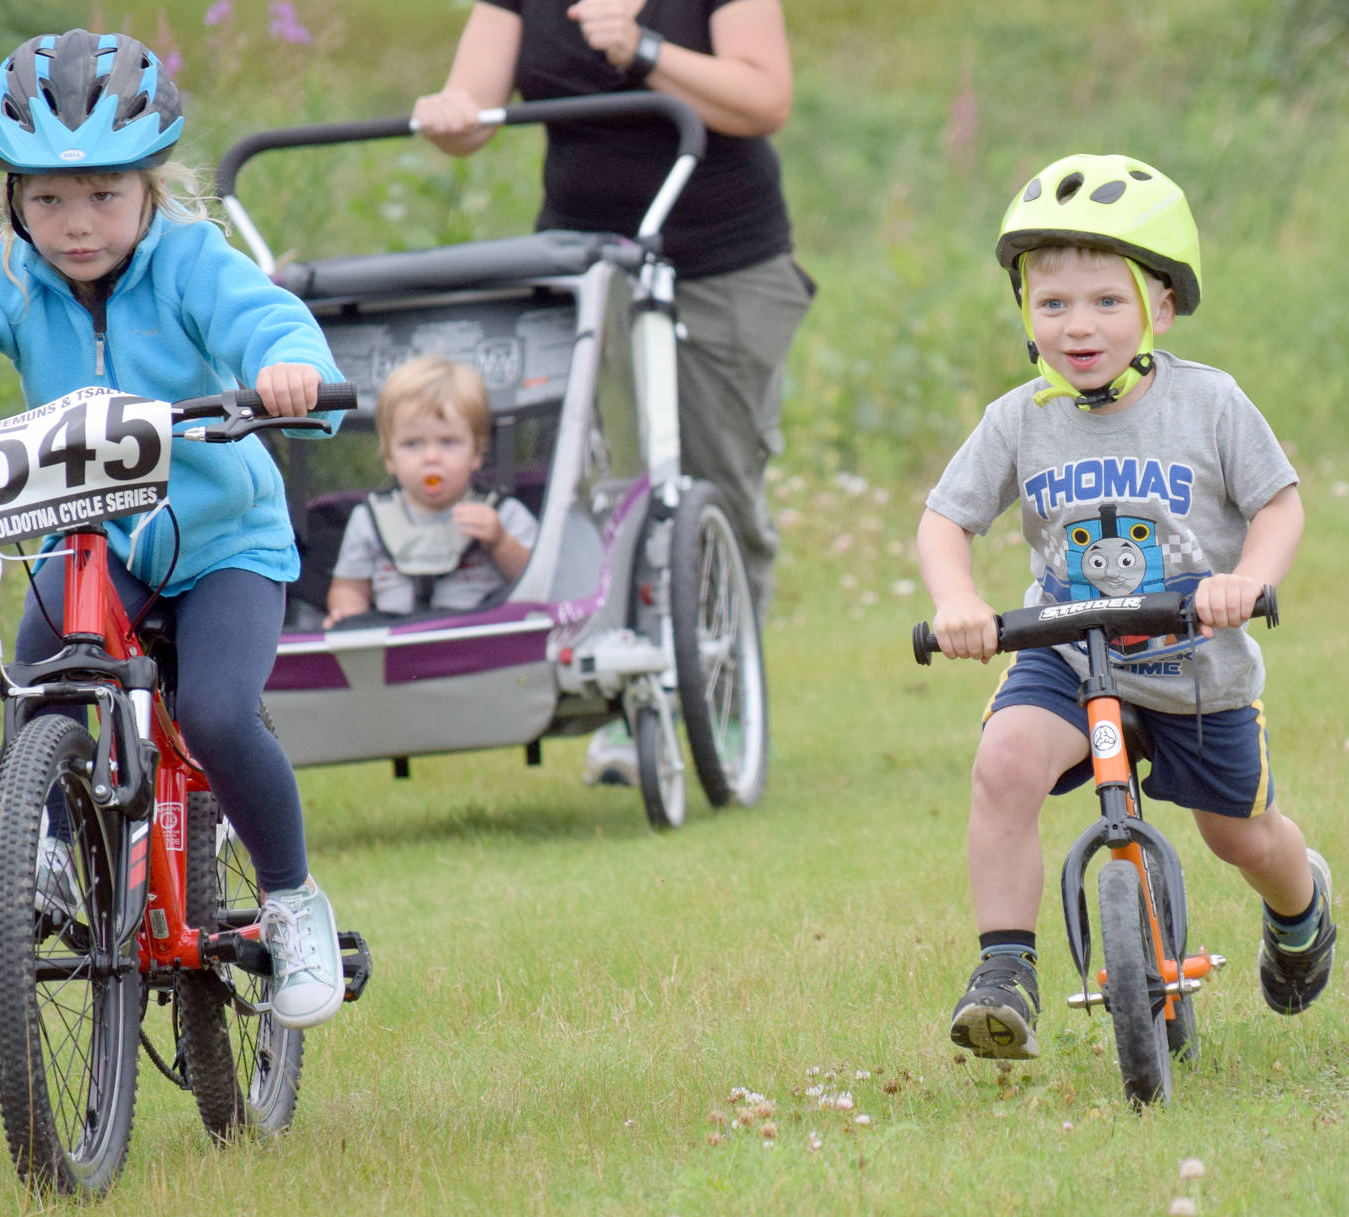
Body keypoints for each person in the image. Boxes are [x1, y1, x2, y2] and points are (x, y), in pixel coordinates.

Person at [0, 29, 349, 1030]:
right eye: (46, 197)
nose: (74, 223)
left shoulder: (193, 261)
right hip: (90, 534)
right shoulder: (7, 276)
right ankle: (45, 851)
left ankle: (291, 900)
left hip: (220, 539)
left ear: (152, 185)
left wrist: (288, 372)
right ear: (11, 196)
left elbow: (264, 320)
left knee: (223, 713)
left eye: (103, 194)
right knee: (37, 677)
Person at [916, 153, 1335, 1060]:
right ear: (1025, 311)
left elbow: (1278, 502)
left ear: (1161, 307)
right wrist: (957, 599)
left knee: (1241, 835)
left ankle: (1300, 907)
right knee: (1003, 766)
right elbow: (945, 520)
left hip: (1195, 664)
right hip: (1067, 652)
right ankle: (1003, 971)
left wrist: (1246, 578)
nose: (1077, 326)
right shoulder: (1017, 419)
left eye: (1107, 300)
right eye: (1052, 302)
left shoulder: (1209, 404)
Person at [413, 0, 813, 783]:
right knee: (611, 490)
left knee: (719, 486)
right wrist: (447, 115)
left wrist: (643, 49)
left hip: (722, 264)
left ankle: (725, 702)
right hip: (588, 269)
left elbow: (764, 100)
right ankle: (639, 708)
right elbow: (470, 114)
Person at [324, 354, 537, 625]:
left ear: (477, 452)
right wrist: (347, 614)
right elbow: (349, 587)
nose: (431, 458)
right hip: (396, 644)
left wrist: (501, 542)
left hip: (476, 639)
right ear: (389, 456)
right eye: (413, 444)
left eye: (448, 442)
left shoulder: (503, 514)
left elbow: (537, 581)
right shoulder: (367, 520)